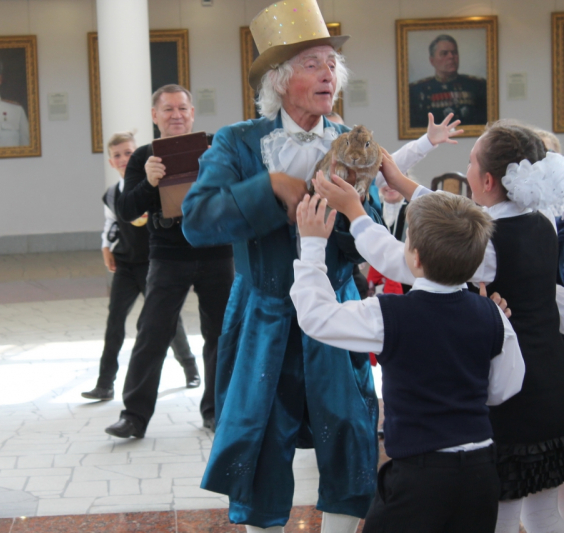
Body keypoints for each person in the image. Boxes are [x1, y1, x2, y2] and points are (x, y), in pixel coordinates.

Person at [181, 3, 462, 531]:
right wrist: (270, 187)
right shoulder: (238, 142)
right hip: (262, 316)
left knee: (349, 432)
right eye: (312, 63)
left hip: (336, 310)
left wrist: (346, 209)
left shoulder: (354, 143)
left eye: (331, 64)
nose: (328, 74)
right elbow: (197, 221)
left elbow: (363, 242)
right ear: (279, 79)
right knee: (260, 439)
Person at [317, 122, 564, 533]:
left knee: (501, 514)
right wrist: (402, 182)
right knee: (544, 512)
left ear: (487, 180)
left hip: (512, 393)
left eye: (470, 162)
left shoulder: (488, 244)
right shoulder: (540, 221)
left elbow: (405, 258)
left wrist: (355, 214)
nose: (466, 170)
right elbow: (459, 217)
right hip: (552, 382)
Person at [292, 190, 524, 532]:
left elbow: (316, 317)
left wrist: (312, 246)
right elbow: (505, 388)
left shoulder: (390, 315)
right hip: (480, 472)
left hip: (420, 475)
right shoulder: (493, 314)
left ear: (414, 257)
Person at [103, 84, 234, 439]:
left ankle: (217, 411)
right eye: (168, 109)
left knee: (221, 334)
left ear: (192, 113)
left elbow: (241, 190)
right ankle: (134, 416)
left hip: (216, 250)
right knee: (152, 332)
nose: (176, 115)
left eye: (182, 108)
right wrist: (148, 182)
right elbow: (127, 211)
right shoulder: (143, 157)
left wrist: (220, 167)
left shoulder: (216, 146)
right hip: (167, 254)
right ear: (154, 115)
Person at [82, 131, 200, 401]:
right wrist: (106, 248)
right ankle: (105, 383)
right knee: (115, 320)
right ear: (111, 162)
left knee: (167, 320)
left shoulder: (152, 185)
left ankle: (190, 367)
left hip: (151, 264)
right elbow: (111, 224)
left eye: (128, 153)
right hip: (125, 265)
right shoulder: (112, 194)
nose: (123, 159)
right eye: (117, 155)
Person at [409, 34, 487, 128]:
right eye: (444, 53)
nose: (451, 56)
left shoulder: (477, 86)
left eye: (454, 52)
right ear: (432, 61)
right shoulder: (417, 90)